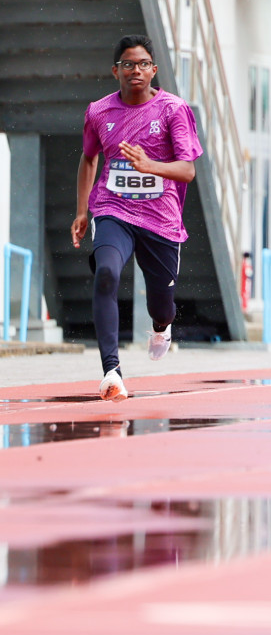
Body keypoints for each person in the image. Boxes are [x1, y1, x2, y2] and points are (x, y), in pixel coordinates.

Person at [70, 36, 202, 401]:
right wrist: (83, 210)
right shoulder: (99, 111)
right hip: (113, 209)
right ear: (116, 71)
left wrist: (150, 166)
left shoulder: (173, 110)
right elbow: (89, 157)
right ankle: (111, 371)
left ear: (154, 70)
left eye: (143, 64)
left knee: (162, 305)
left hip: (161, 219)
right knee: (107, 273)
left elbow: (187, 170)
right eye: (128, 64)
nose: (136, 70)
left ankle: (162, 326)